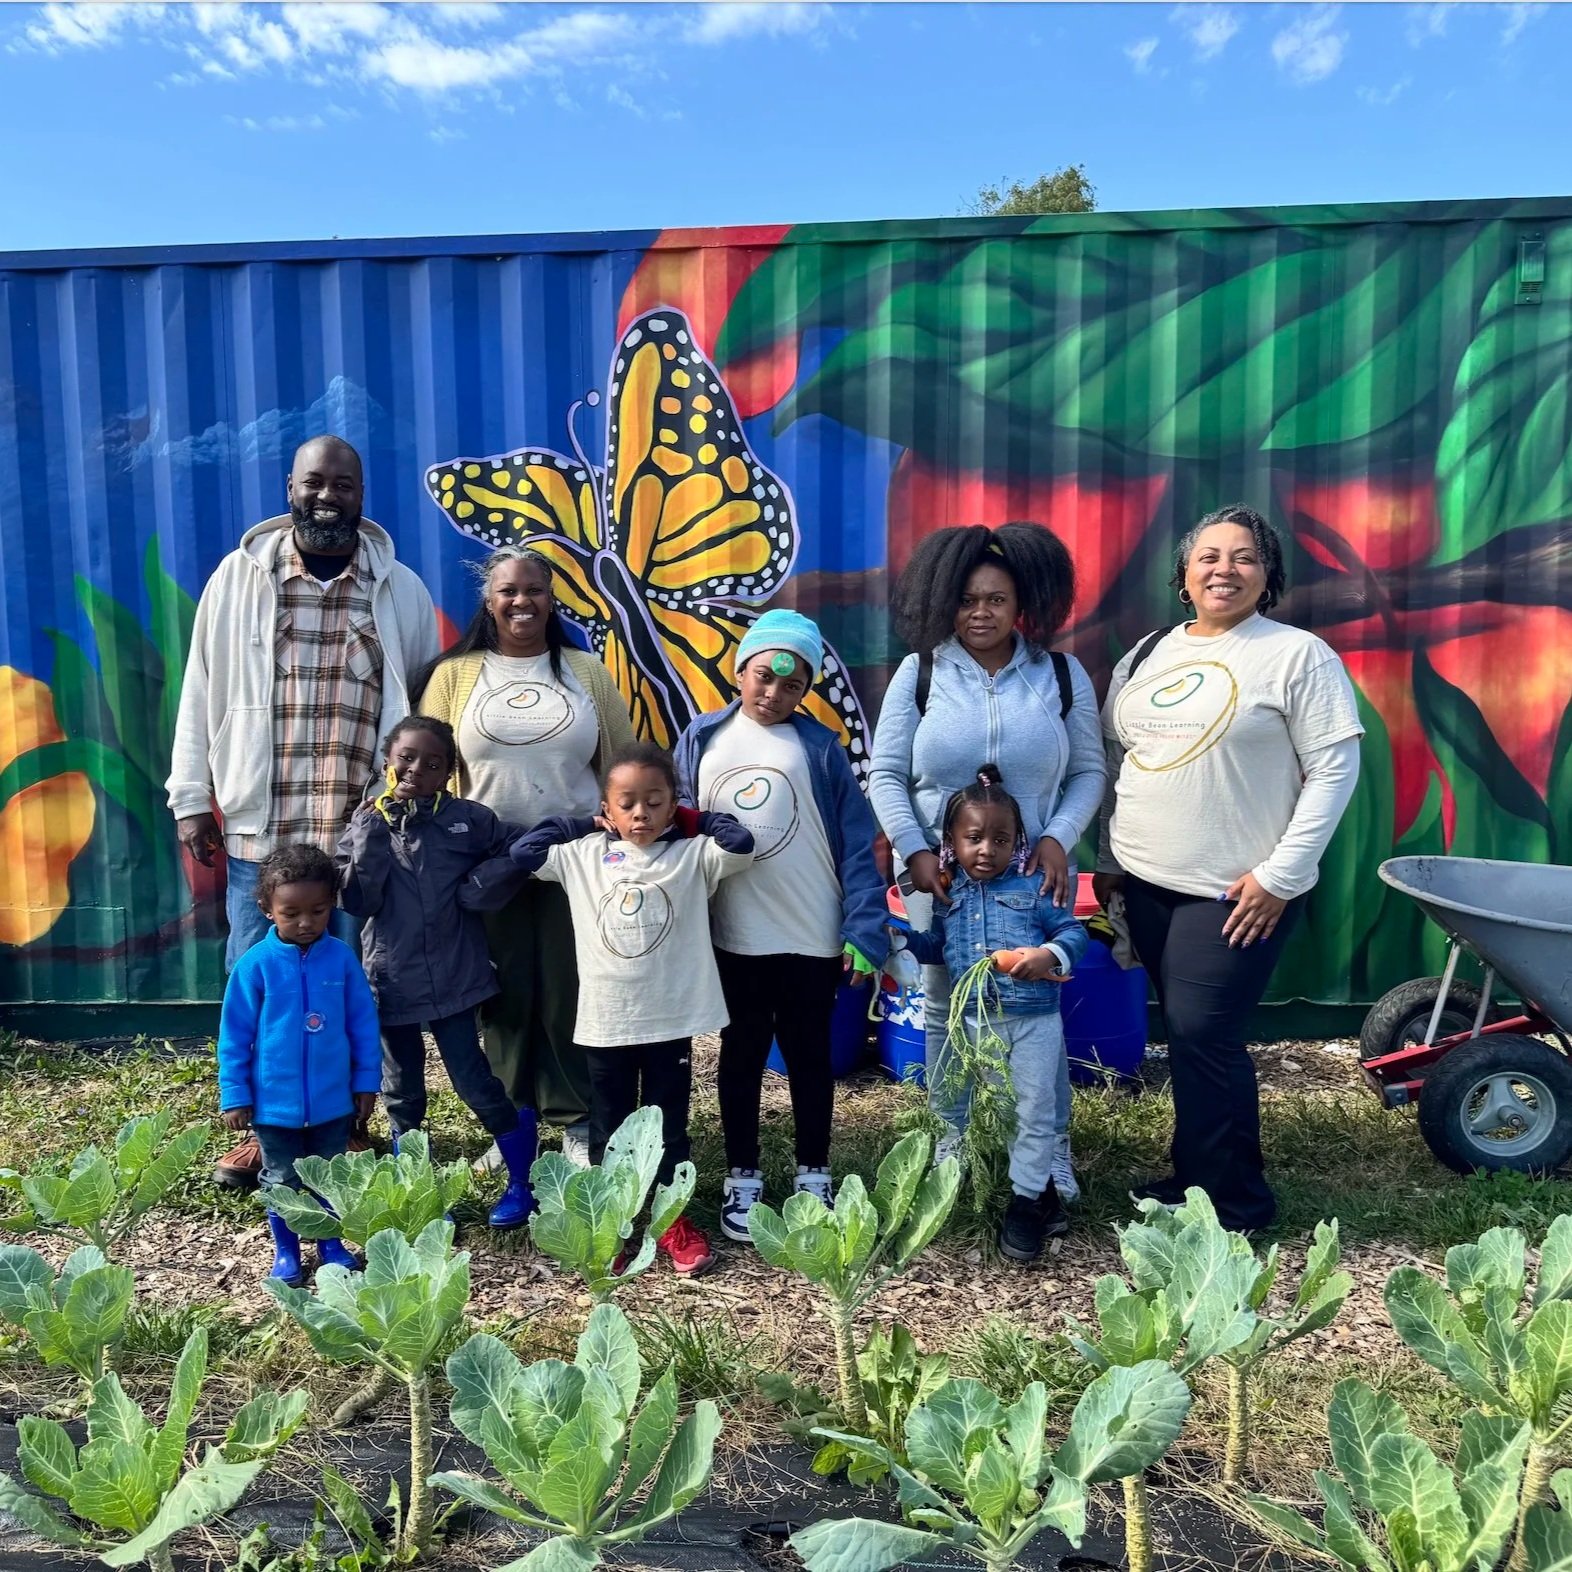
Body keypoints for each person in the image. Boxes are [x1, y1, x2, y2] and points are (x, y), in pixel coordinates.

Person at [169, 435, 437, 1189]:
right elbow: (202, 689)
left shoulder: (398, 588)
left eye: (343, 484)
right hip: (264, 834)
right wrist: (192, 797)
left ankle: (344, 1129)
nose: (329, 497)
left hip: (359, 841)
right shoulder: (240, 580)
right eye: (315, 482)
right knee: (259, 984)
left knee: (353, 984)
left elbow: (417, 711)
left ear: (361, 493)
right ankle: (261, 1130)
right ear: (290, 485)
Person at [1095, 504, 1363, 1233]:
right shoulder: (1147, 652)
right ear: (1184, 575)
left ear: (1268, 574)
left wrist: (1282, 875)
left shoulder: (1295, 655)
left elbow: (1335, 768)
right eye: (1209, 555)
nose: (1225, 568)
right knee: (1188, 1038)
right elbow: (1123, 758)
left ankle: (1236, 1205)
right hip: (1148, 883)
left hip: (1237, 891)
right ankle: (1195, 1178)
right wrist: (1110, 861)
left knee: (1203, 1033)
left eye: (1244, 556)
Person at [868, 522, 1105, 1191]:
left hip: (1031, 874)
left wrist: (1057, 834)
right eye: (968, 599)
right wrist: (915, 850)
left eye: (996, 599)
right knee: (944, 1005)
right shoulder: (921, 674)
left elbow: (1089, 770)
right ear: (947, 601)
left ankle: (1048, 1142)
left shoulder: (1060, 676)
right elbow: (885, 773)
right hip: (937, 876)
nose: (980, 612)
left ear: (1020, 603)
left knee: (1037, 1003)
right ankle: (954, 1136)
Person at [491, 741, 754, 1277]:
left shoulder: (691, 854)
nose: (641, 814)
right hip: (606, 1021)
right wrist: (581, 824)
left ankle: (671, 1219)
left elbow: (741, 841)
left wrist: (689, 818)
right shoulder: (583, 856)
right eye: (627, 803)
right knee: (608, 1127)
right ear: (607, 809)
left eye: (655, 801)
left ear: (673, 803)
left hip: (669, 1020)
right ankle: (616, 1221)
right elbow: (523, 854)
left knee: (669, 1125)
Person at [415, 545, 635, 1167]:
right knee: (502, 993)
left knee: (572, 989)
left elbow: (621, 762)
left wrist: (633, 830)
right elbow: (422, 763)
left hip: (577, 856)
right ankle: (511, 1121)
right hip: (489, 861)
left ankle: (575, 1118)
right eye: (508, 591)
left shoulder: (585, 672)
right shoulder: (456, 678)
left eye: (534, 590)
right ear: (489, 603)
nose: (521, 601)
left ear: (551, 600)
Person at [673, 609, 887, 1244]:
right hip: (734, 935)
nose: (773, 694)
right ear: (740, 670)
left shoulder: (819, 749)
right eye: (763, 677)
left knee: (809, 1057)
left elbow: (856, 845)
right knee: (738, 1057)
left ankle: (813, 1172)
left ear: (806, 692)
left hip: (809, 934)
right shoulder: (701, 738)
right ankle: (743, 1175)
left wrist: (864, 930)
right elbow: (678, 830)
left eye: (791, 686)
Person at [335, 716, 537, 1229]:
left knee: (473, 1080)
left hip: (455, 977)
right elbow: (361, 899)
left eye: (433, 763)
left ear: (450, 772)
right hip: (391, 980)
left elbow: (521, 848)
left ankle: (522, 1180)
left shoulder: (467, 819)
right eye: (406, 758)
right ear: (387, 762)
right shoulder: (365, 821)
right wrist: (372, 834)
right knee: (401, 1091)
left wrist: (481, 884)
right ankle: (419, 1197)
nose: (416, 769)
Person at [900, 766, 1088, 1263]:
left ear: (1017, 842)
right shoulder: (950, 896)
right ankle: (1043, 1194)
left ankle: (1025, 1203)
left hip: (1033, 1020)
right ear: (951, 842)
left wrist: (1049, 955)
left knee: (1034, 1109)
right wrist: (900, 939)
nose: (987, 850)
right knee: (1007, 1112)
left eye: (1000, 839)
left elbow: (1074, 933)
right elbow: (938, 949)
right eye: (974, 838)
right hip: (976, 1024)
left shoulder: (1032, 889)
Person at [216, 844, 381, 1286]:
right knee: (282, 1180)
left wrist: (366, 1082)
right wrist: (236, 1094)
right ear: (267, 910)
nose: (306, 922)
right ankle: (287, 1251)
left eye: (319, 910)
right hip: (273, 1107)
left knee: (329, 1176)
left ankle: (330, 1245)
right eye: (291, 913)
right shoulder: (255, 967)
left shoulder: (342, 960)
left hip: (333, 1102)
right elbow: (234, 1037)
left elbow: (363, 1024)